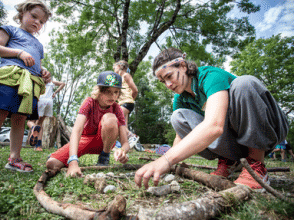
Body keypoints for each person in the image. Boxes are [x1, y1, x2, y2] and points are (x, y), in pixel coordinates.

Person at [134, 47, 289, 191]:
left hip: (267, 128)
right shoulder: (180, 99)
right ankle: (229, 160)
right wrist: (173, 165)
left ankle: (256, 164)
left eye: (169, 76)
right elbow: (179, 136)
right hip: (235, 144)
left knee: (244, 83)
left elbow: (215, 125)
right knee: (177, 117)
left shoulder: (209, 76)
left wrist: (165, 160)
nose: (168, 84)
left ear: (183, 66)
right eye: (163, 81)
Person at [0, 0, 52, 175]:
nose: (37, 23)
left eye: (41, 22)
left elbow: (37, 64)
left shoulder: (39, 45)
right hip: (10, 78)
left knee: (20, 119)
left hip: (29, 83)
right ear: (22, 12)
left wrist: (43, 72)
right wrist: (19, 53)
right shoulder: (10, 30)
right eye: (34, 16)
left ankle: (15, 158)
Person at [46, 71, 130, 177]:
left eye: (116, 92)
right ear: (99, 91)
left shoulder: (116, 108)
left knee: (110, 118)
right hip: (85, 140)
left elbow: (125, 143)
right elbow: (77, 130)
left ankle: (104, 157)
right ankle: (67, 156)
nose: (112, 96)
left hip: (105, 142)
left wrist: (123, 151)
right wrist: (73, 161)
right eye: (108, 91)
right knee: (51, 164)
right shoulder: (89, 102)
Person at [27, 77, 65, 151]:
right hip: (49, 102)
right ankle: (38, 146)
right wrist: (55, 92)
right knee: (40, 124)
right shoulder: (51, 82)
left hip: (40, 100)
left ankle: (33, 128)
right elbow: (63, 84)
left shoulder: (38, 80)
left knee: (30, 121)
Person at [113, 60, 139, 148]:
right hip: (122, 104)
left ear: (120, 66)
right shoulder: (118, 79)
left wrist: (130, 99)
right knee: (123, 126)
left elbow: (135, 90)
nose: (113, 69)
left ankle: (132, 136)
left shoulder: (126, 75)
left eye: (114, 67)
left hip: (127, 103)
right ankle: (125, 146)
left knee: (116, 120)